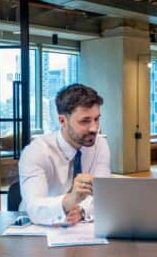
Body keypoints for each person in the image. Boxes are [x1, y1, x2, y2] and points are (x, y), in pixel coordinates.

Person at [18, 83, 111, 225]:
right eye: (85, 121)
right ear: (62, 121)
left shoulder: (100, 145)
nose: (94, 128)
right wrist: (70, 200)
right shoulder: (36, 152)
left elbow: (104, 195)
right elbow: (34, 207)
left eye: (96, 119)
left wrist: (81, 209)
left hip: (81, 228)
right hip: (37, 228)